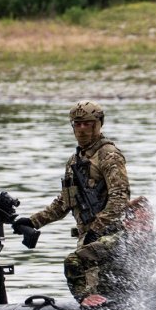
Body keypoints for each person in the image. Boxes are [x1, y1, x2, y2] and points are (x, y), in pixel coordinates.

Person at [13, 101, 130, 252]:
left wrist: (96, 230)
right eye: (77, 124)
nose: (81, 129)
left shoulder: (109, 155)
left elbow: (120, 199)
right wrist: (33, 221)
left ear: (99, 124)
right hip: (87, 238)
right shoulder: (74, 161)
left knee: (73, 267)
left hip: (111, 236)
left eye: (87, 123)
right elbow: (65, 201)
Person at [65, 197, 156, 307]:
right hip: (108, 298)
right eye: (142, 223)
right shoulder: (111, 244)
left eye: (149, 222)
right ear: (127, 224)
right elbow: (73, 260)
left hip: (137, 296)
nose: (147, 228)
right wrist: (84, 296)